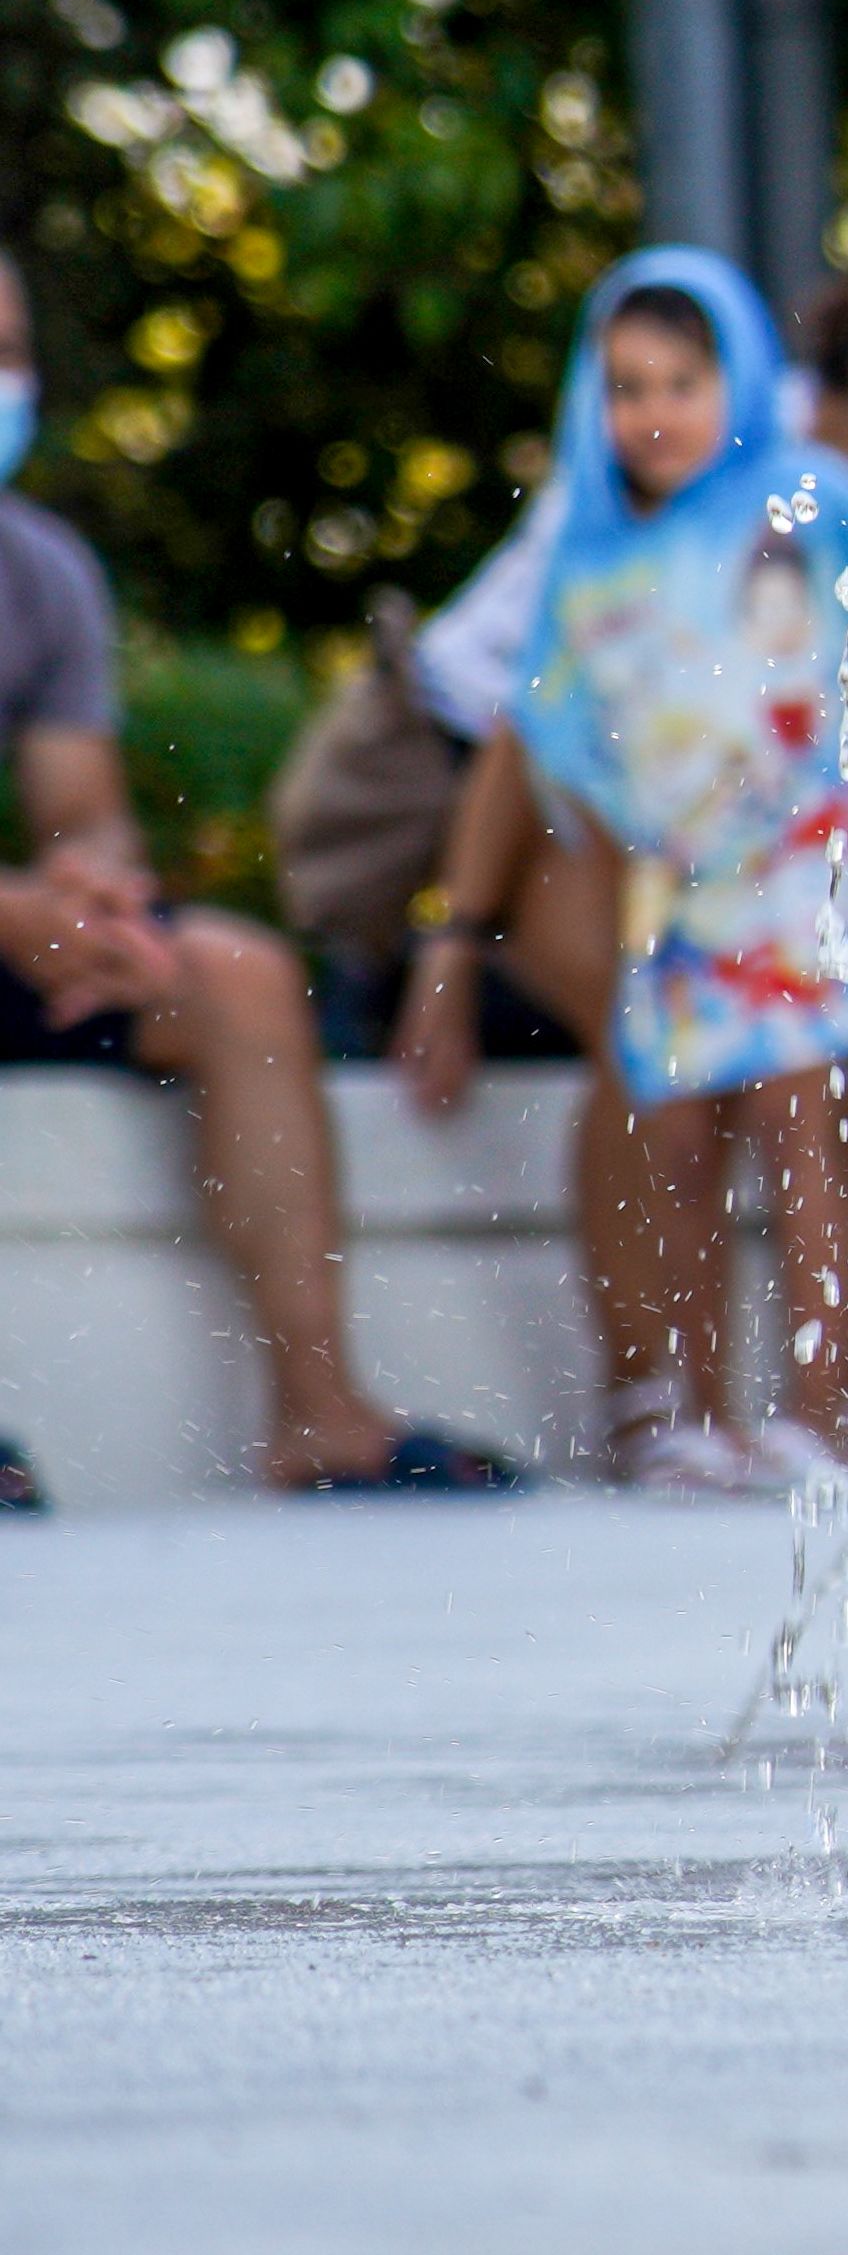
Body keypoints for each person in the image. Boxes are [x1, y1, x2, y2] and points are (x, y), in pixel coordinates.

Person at [395, 243, 848, 1475]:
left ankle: (836, 1389)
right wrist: (450, 942)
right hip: (523, 779)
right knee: (650, 1057)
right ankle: (653, 1398)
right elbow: (519, 724)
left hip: (753, 835)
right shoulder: (653, 471)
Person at [0, 245, 516, 1497]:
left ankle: (320, 1414)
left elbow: (81, 807)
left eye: (10, 349)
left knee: (233, 974)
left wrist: (98, 898)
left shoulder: (42, 571)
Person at [490, 248, 848, 1489]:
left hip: (787, 871)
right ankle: (701, 1417)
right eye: (626, 386)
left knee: (794, 1128)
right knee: (675, 1139)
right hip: (669, 884)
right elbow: (557, 713)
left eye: (682, 380)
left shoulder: (806, 497)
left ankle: (816, 1414)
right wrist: (628, 835)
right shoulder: (594, 546)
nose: (654, 413)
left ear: (739, 381)